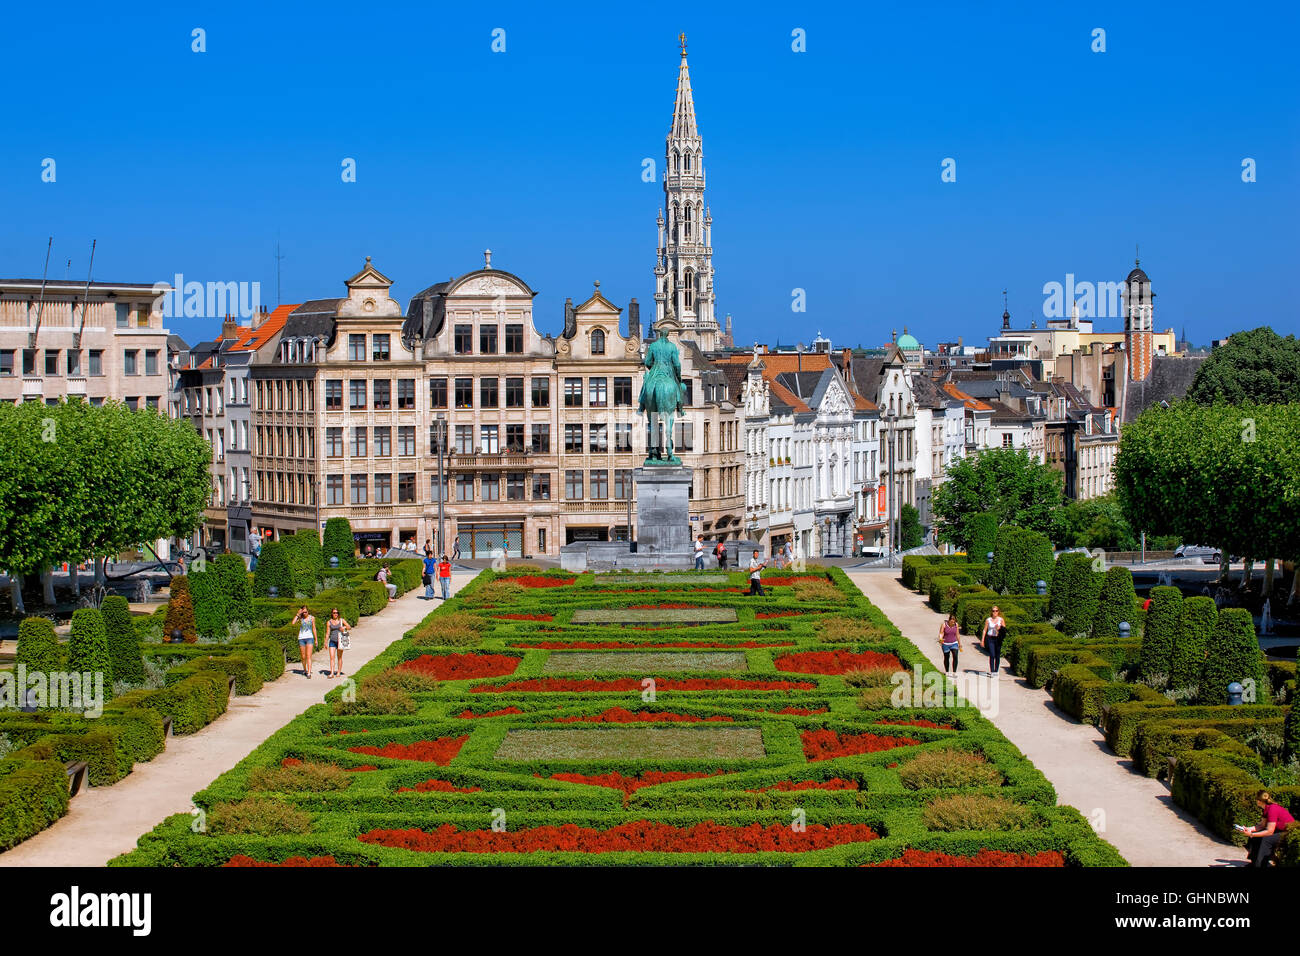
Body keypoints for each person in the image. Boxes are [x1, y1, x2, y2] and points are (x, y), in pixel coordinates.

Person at [1242, 790, 1294, 867]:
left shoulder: (1272, 809)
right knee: (1255, 838)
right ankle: (1254, 863)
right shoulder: (1267, 808)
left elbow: (1269, 831)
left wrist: (1252, 834)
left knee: (1266, 839)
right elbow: (1261, 826)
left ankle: (1261, 864)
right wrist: (1248, 829)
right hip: (1279, 830)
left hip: (1288, 832)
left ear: (1259, 801)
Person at [291, 605, 317, 678]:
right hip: (301, 638)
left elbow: (314, 628)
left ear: (308, 611)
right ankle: (304, 669)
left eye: (306, 612)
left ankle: (309, 672)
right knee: (303, 656)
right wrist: (298, 614)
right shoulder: (300, 618)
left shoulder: (312, 618)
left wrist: (316, 639)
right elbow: (293, 623)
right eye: (303, 612)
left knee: (308, 656)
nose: (305, 613)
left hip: (309, 638)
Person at [981, 605, 1006, 675]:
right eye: (993, 611)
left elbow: (1004, 630)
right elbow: (984, 630)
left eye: (996, 611)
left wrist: (999, 628)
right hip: (990, 638)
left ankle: (996, 671)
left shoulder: (1001, 620)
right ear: (991, 612)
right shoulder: (988, 620)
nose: (994, 612)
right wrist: (982, 640)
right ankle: (992, 671)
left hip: (998, 639)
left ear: (998, 612)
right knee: (992, 654)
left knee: (997, 655)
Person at [325, 607, 350, 678]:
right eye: (334, 613)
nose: (335, 614)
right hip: (332, 641)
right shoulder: (329, 622)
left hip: (340, 641)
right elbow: (327, 633)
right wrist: (325, 642)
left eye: (336, 613)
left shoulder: (341, 620)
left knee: (339, 657)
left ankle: (338, 672)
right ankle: (332, 673)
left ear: (338, 614)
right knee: (332, 657)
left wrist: (344, 628)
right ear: (332, 614)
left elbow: (349, 627)